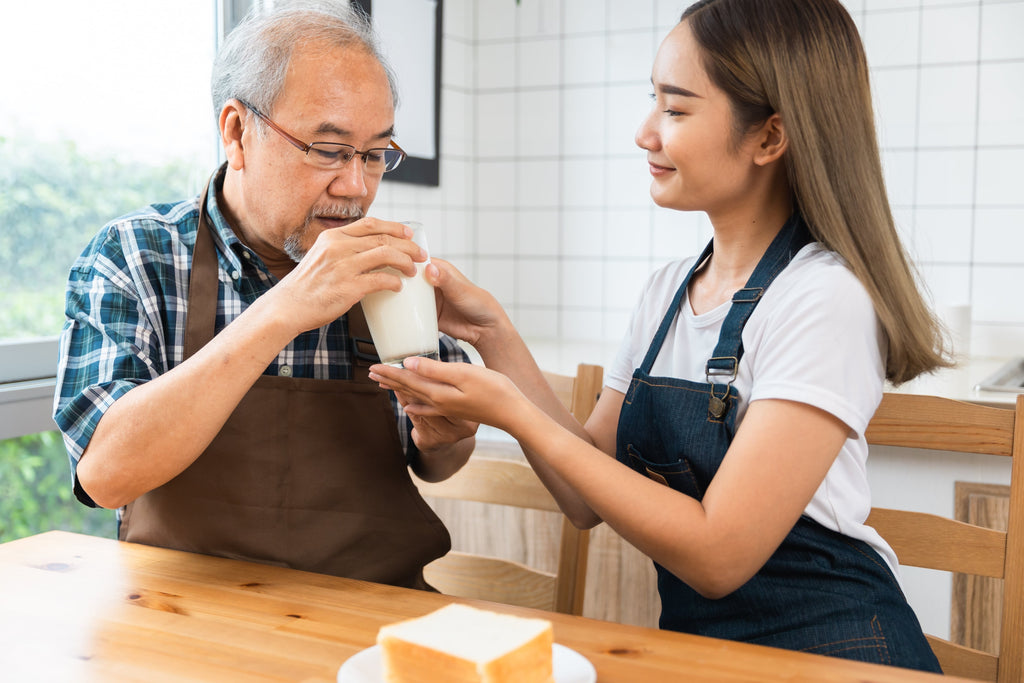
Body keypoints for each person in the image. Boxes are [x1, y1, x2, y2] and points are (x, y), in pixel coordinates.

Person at [369, 0, 950, 671]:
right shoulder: (669, 293)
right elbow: (585, 496)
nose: (645, 132)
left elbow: (718, 554)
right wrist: (491, 332)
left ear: (769, 137)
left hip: (837, 653)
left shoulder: (825, 298)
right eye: (655, 101)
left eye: (675, 109)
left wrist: (506, 406)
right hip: (705, 655)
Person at [52, 0, 477, 590]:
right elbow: (105, 476)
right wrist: (281, 311)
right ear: (237, 132)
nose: (356, 187)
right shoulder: (136, 256)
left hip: (369, 621)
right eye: (329, 151)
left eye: (375, 154)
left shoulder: (390, 268)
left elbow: (437, 461)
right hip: (181, 623)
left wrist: (446, 438)